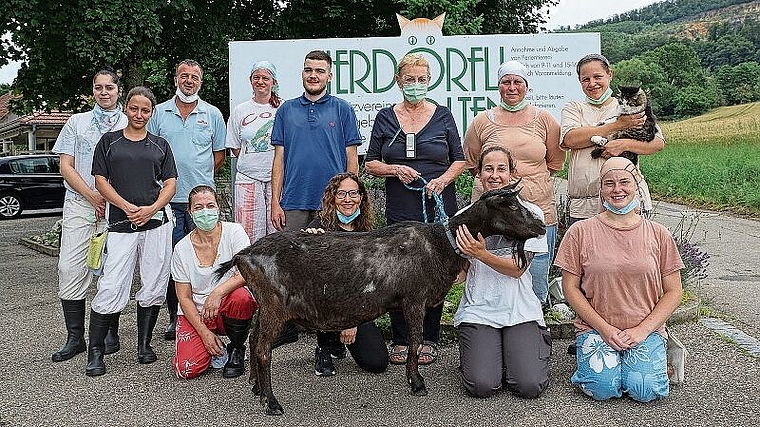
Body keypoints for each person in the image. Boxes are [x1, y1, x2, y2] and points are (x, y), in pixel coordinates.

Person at [553, 156, 684, 402]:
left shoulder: (658, 234)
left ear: (637, 186)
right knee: (602, 388)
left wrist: (641, 331)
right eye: (609, 183)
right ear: (601, 190)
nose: (617, 189)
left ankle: (644, 363)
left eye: (625, 182)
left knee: (645, 391)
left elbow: (674, 292)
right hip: (596, 328)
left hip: (646, 328)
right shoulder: (580, 232)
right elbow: (570, 288)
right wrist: (605, 329)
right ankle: (609, 366)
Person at [365, 53, 466, 366]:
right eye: (410, 79)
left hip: (436, 206)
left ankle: (428, 338)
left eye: (422, 79)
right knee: (399, 271)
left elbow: (459, 159)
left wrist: (443, 180)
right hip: (401, 207)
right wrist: (395, 169)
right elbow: (370, 163)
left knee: (434, 270)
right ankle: (400, 338)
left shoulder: (443, 115)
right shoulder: (385, 117)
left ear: (430, 80)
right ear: (399, 81)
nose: (416, 84)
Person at [87, 86, 177, 376]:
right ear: (126, 108)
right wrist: (126, 206)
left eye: (146, 110)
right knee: (112, 284)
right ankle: (96, 351)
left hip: (156, 223)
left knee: (154, 282)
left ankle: (144, 345)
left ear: (152, 113)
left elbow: (170, 183)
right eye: (134, 108)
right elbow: (100, 180)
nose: (139, 114)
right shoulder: (109, 142)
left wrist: (152, 209)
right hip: (121, 223)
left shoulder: (161, 144)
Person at [453, 145, 551, 399]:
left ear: (512, 173)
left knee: (529, 386)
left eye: (501, 169)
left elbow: (518, 270)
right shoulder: (463, 217)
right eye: (488, 169)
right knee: (482, 385)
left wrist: (481, 254)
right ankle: (489, 356)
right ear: (478, 174)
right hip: (480, 309)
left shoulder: (531, 214)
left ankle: (524, 348)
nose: (494, 175)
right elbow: (461, 271)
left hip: (519, 308)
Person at [463, 60, 564, 304]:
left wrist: (526, 184)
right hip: (490, 213)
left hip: (537, 206)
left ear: (526, 86)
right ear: (498, 86)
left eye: (517, 82)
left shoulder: (544, 119)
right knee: (488, 267)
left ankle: (536, 319)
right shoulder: (482, 121)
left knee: (535, 271)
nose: (512, 87)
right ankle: (487, 316)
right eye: (506, 82)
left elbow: (556, 161)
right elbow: (472, 161)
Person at [51, 67, 128, 363]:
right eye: (98, 87)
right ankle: (75, 337)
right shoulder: (76, 122)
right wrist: (91, 195)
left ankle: (109, 330)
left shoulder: (129, 120)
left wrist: (109, 198)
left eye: (109, 87)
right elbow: (66, 166)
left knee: (112, 269)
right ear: (93, 91)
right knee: (71, 267)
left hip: (116, 206)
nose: (104, 92)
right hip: (81, 203)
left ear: (118, 90)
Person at [148, 59, 227, 341]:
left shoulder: (213, 114)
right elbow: (150, 151)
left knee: (202, 258)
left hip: (201, 203)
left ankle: (208, 313)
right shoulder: (158, 113)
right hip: (167, 200)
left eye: (194, 77)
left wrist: (198, 179)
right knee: (174, 260)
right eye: (184, 76)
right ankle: (176, 317)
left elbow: (218, 157)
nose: (189, 81)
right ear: (175, 80)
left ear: (200, 83)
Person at [560, 53, 664, 226]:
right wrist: (618, 125)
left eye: (598, 77)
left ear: (610, 74)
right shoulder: (573, 108)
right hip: (583, 206)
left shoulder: (629, 103)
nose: (592, 83)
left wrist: (624, 144)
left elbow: (657, 143)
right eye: (585, 79)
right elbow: (570, 139)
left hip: (624, 201)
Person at [302, 173, 389, 377]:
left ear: (361, 197)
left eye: (353, 193)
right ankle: (324, 346)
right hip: (326, 301)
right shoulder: (319, 227)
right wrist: (308, 241)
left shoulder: (368, 232)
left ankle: (337, 341)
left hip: (359, 305)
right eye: (341, 194)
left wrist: (354, 321)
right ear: (332, 198)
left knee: (377, 363)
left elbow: (371, 282)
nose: (347, 199)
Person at [171, 185, 257, 379]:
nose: (205, 211)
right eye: (199, 207)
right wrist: (204, 334)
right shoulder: (181, 249)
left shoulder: (235, 232)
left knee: (242, 297)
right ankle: (214, 346)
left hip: (226, 305)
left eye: (210, 205)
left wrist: (216, 293)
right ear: (190, 212)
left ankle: (236, 348)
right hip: (197, 312)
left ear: (219, 208)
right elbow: (183, 297)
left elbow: (247, 273)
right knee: (186, 370)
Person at [270, 50, 361, 232]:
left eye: (320, 71)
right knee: (292, 258)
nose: (313, 75)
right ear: (302, 74)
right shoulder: (285, 110)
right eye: (308, 70)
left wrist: (349, 198)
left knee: (332, 258)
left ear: (329, 76)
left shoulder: (343, 109)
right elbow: (278, 160)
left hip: (333, 202)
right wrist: (275, 202)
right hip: (293, 202)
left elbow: (352, 159)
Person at [226, 60, 280, 244]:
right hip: (248, 179)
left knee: (276, 234)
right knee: (248, 236)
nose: (261, 81)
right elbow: (235, 146)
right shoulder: (240, 110)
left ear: (274, 82)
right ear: (250, 81)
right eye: (256, 78)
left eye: (265, 78)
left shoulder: (283, 109)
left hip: (277, 180)